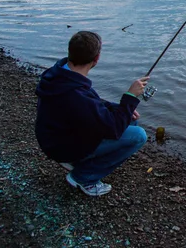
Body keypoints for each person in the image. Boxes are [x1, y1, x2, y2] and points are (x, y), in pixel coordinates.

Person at [35, 31, 150, 196]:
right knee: (138, 135)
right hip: (60, 147)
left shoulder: (61, 74)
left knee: (129, 119)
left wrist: (120, 108)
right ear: (96, 59)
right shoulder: (75, 94)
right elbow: (114, 129)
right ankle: (83, 176)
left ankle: (83, 162)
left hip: (55, 137)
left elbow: (90, 104)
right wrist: (130, 97)